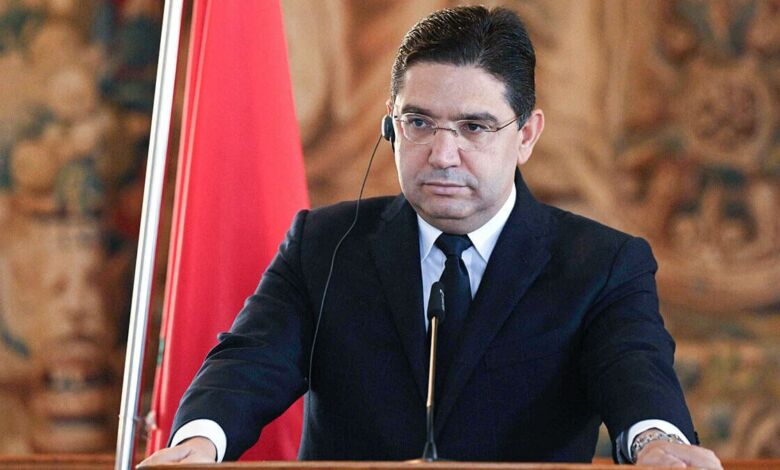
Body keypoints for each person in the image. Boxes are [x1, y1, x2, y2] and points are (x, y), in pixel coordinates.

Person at [140, 6, 722, 469]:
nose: (443, 154)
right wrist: (200, 441)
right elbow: (249, 362)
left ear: (526, 135)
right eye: (418, 122)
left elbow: (635, 369)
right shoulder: (323, 244)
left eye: (474, 127)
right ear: (390, 125)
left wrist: (656, 442)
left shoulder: (602, 264)